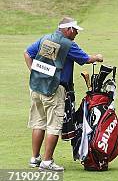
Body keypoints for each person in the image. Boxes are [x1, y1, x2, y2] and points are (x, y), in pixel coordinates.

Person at [24, 17, 103, 171]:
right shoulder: (68, 45)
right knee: (53, 126)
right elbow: (86, 59)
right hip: (55, 89)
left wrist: (35, 72)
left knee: (39, 123)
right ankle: (47, 162)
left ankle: (35, 158)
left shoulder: (45, 38)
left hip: (36, 86)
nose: (76, 33)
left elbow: (27, 54)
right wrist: (98, 57)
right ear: (67, 30)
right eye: (75, 30)